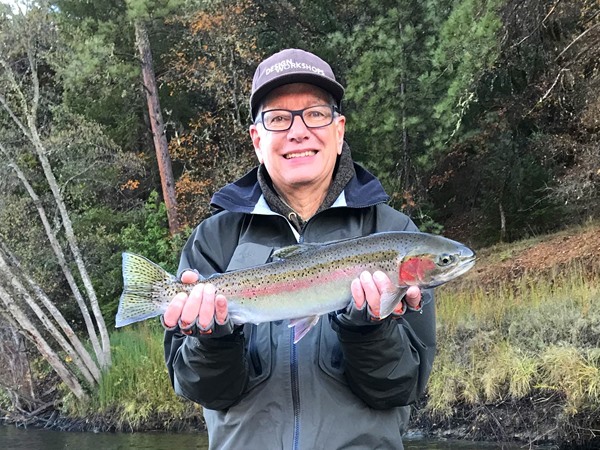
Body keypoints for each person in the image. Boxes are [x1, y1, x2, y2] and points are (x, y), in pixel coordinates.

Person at [163, 48, 436, 450]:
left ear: (339, 131)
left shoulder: (393, 233)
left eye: (315, 114)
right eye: (278, 119)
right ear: (257, 140)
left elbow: (402, 388)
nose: (298, 131)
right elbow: (203, 390)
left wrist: (369, 331)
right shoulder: (213, 240)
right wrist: (213, 339)